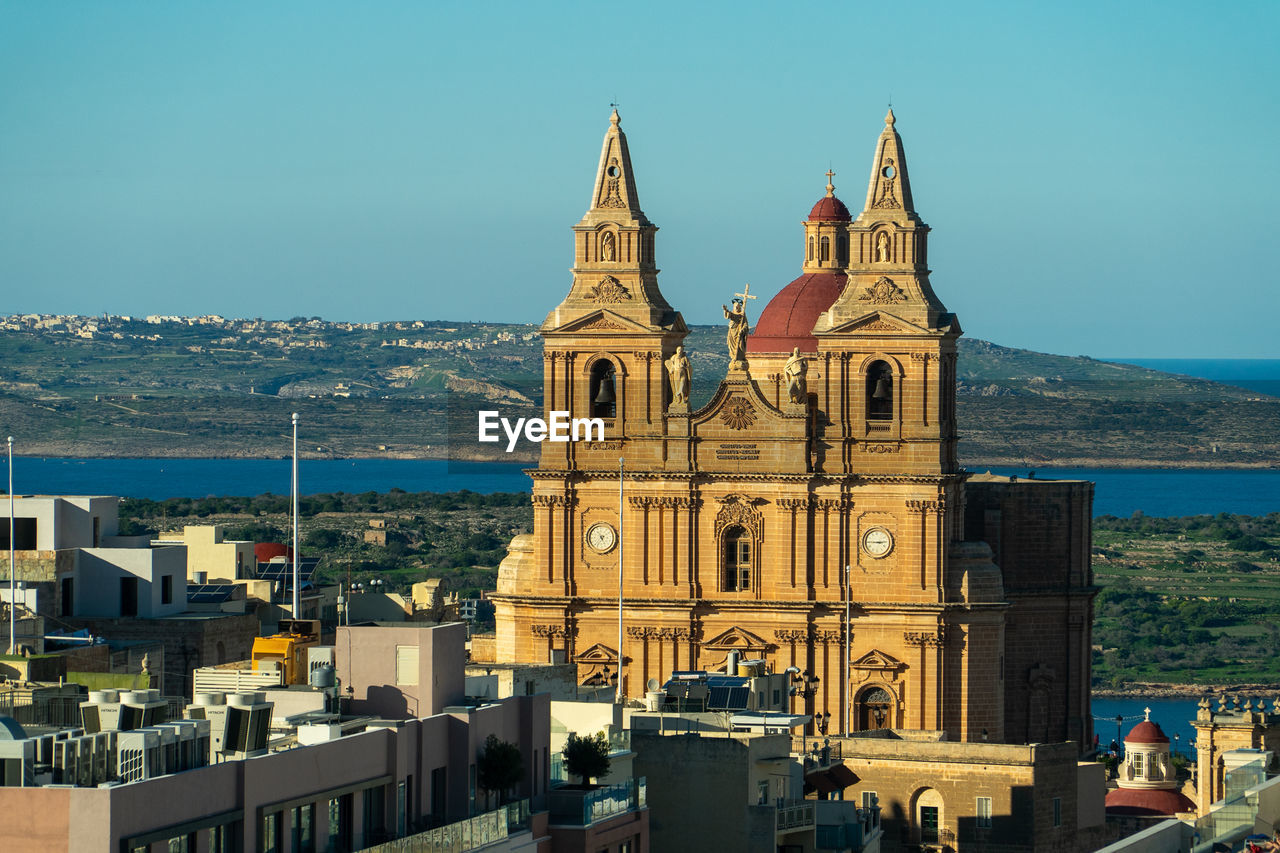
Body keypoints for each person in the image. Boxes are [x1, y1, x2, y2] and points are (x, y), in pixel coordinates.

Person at [722, 299, 749, 365]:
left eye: (738, 306)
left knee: (740, 346)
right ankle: (734, 357)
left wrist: (742, 330)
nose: (736, 308)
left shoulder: (742, 315)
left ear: (740, 307)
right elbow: (729, 316)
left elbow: (745, 324)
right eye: (735, 306)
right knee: (732, 346)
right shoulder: (732, 314)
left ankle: (740, 357)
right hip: (732, 332)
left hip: (739, 333)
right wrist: (725, 310)